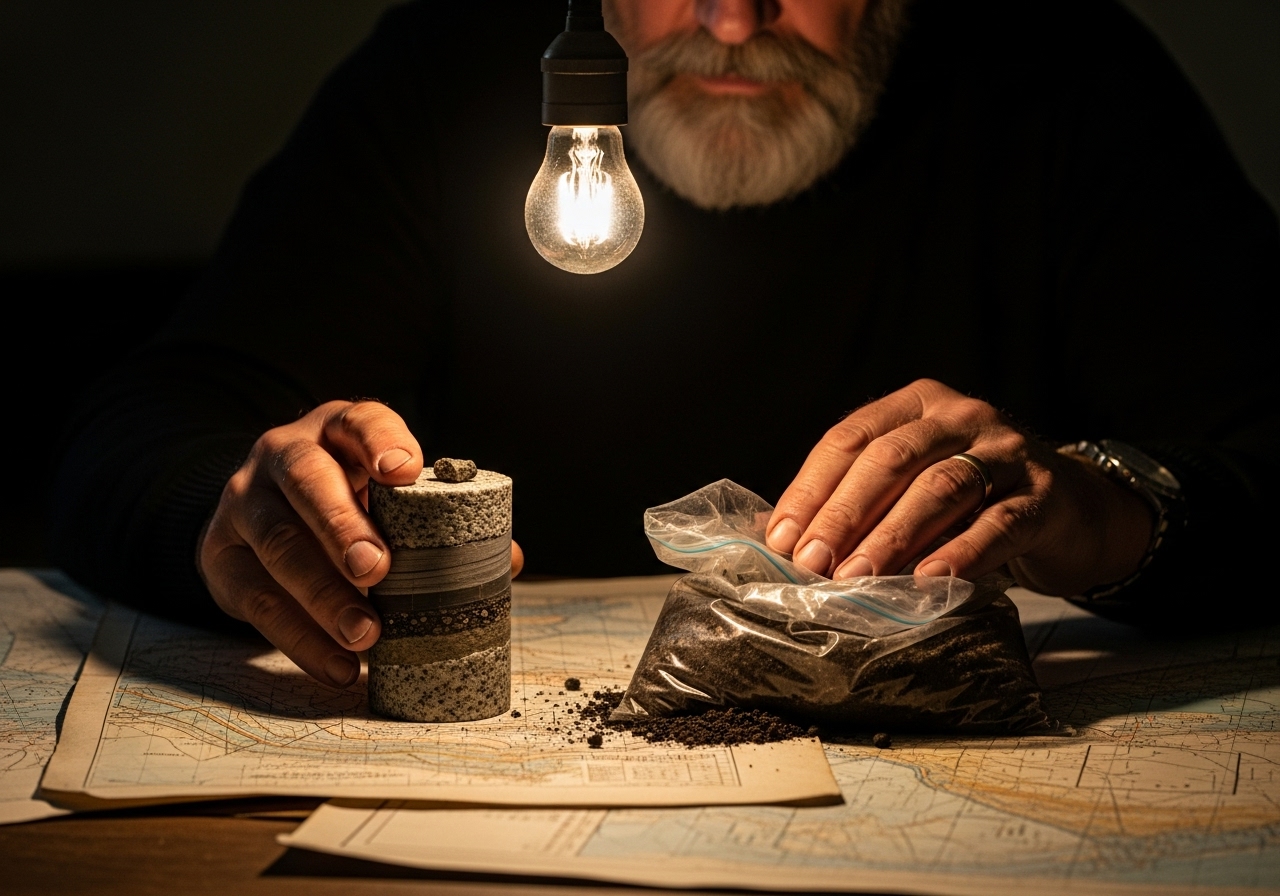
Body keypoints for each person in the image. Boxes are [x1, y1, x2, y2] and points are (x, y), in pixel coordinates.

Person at [51, 0, 1278, 689]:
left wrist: (1108, 507)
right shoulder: (447, 74)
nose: (734, 19)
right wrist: (240, 522)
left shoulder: (1061, 79)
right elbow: (144, 424)